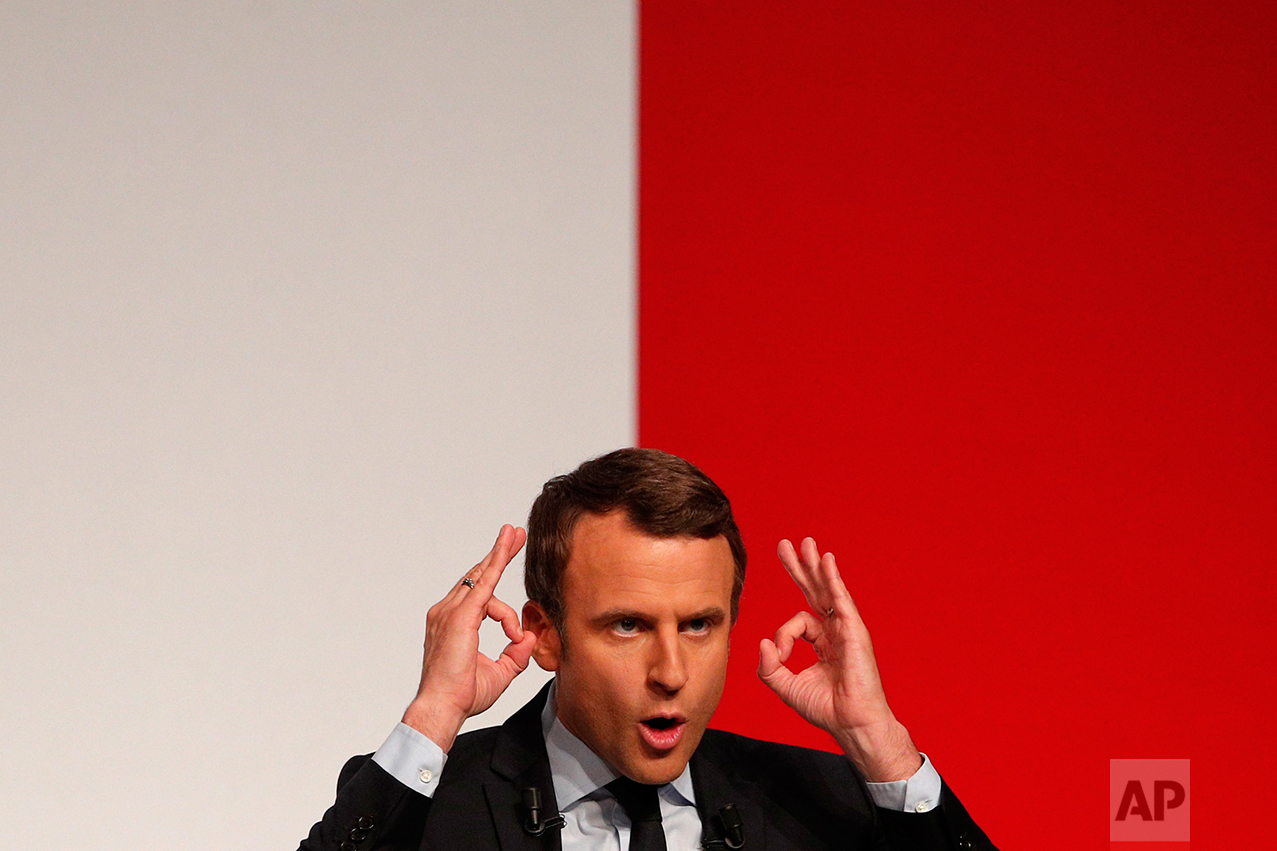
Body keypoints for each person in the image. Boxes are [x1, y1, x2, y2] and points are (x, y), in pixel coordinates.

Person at [299, 449, 996, 850]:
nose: (671, 674)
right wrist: (432, 714)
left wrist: (882, 744)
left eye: (698, 624)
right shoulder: (431, 809)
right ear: (543, 632)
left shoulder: (825, 805)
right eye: (627, 626)